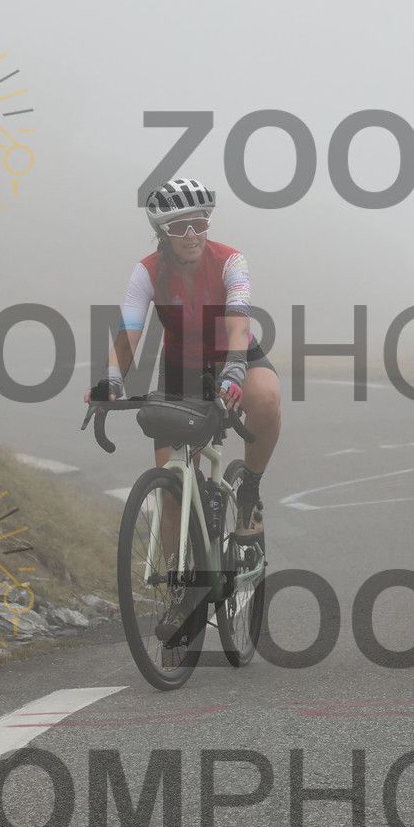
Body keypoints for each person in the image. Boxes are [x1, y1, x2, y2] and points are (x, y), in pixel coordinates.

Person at [85, 176, 282, 642]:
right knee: (171, 489)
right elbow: (129, 334)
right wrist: (110, 380)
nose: (192, 234)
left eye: (199, 223)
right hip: (181, 370)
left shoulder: (230, 261)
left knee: (267, 397)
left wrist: (234, 370)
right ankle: (180, 592)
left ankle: (249, 491)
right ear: (163, 233)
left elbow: (239, 322)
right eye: (179, 227)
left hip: (235, 357)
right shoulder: (147, 272)